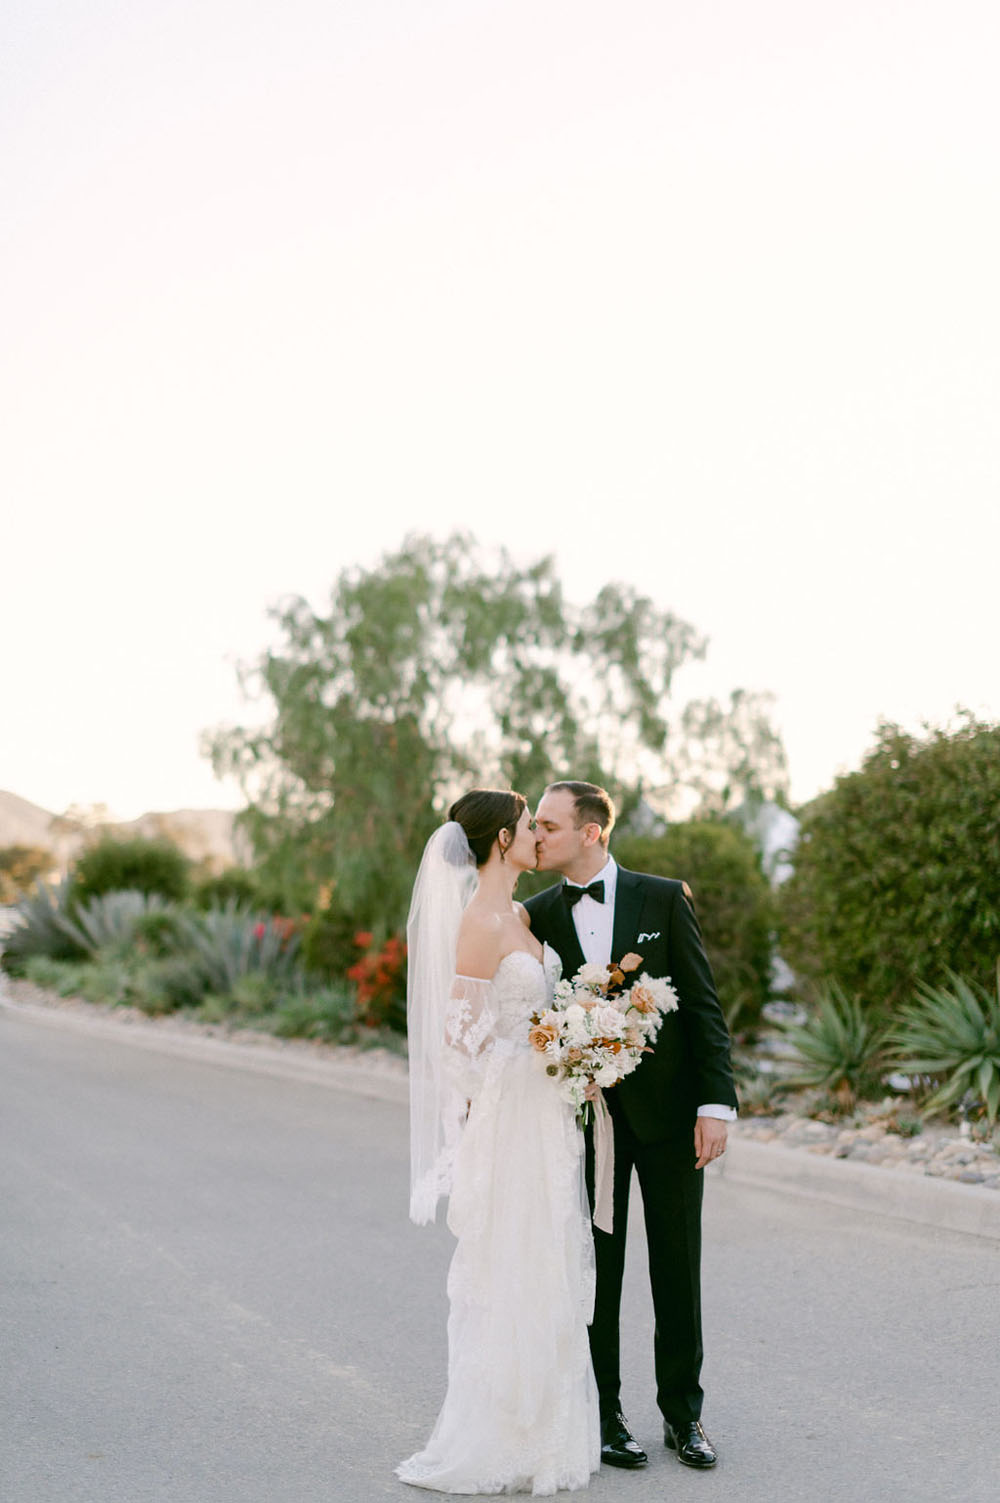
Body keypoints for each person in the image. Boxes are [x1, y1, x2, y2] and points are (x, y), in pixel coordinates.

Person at [526, 781, 738, 1473]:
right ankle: (606, 1415)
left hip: (674, 1118)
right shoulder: (534, 915)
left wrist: (717, 1103)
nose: (537, 835)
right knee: (598, 1277)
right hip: (588, 1129)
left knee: (678, 1269)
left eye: (549, 824)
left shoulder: (661, 895)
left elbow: (702, 1002)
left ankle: (685, 1415)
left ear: (591, 832)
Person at [397, 789, 601, 1496]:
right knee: (510, 1256)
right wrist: (525, 1059)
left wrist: (566, 1047)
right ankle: (499, 1429)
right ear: (503, 838)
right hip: (513, 1110)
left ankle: (541, 1426)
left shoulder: (518, 912)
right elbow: (458, 1038)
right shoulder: (480, 921)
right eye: (528, 827)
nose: (538, 837)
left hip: (545, 1108)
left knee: (545, 1253)